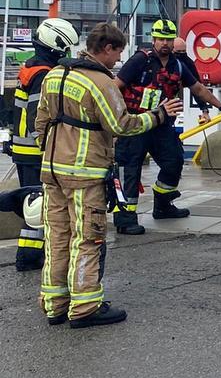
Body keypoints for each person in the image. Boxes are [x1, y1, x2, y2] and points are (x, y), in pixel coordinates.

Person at [35, 22, 181, 328]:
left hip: (52, 171)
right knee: (88, 237)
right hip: (85, 172)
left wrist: (52, 153)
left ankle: (55, 303)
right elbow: (121, 125)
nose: (118, 61)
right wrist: (158, 116)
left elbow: (42, 123)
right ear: (107, 49)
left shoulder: (54, 75)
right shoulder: (99, 83)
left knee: (57, 236)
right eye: (117, 53)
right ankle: (86, 306)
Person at [115, 19, 221, 227]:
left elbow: (198, 88)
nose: (165, 44)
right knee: (130, 169)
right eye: (161, 39)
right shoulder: (139, 61)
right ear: (153, 39)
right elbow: (114, 87)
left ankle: (163, 205)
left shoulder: (177, 65)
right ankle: (125, 219)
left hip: (161, 125)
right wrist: (113, 119)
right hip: (135, 123)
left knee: (174, 160)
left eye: (168, 39)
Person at [8, 19, 78, 271]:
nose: (66, 55)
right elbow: (41, 114)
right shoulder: (43, 74)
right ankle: (28, 257)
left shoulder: (30, 67)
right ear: (55, 44)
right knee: (36, 204)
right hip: (36, 150)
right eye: (64, 50)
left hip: (23, 148)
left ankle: (31, 254)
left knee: (33, 201)